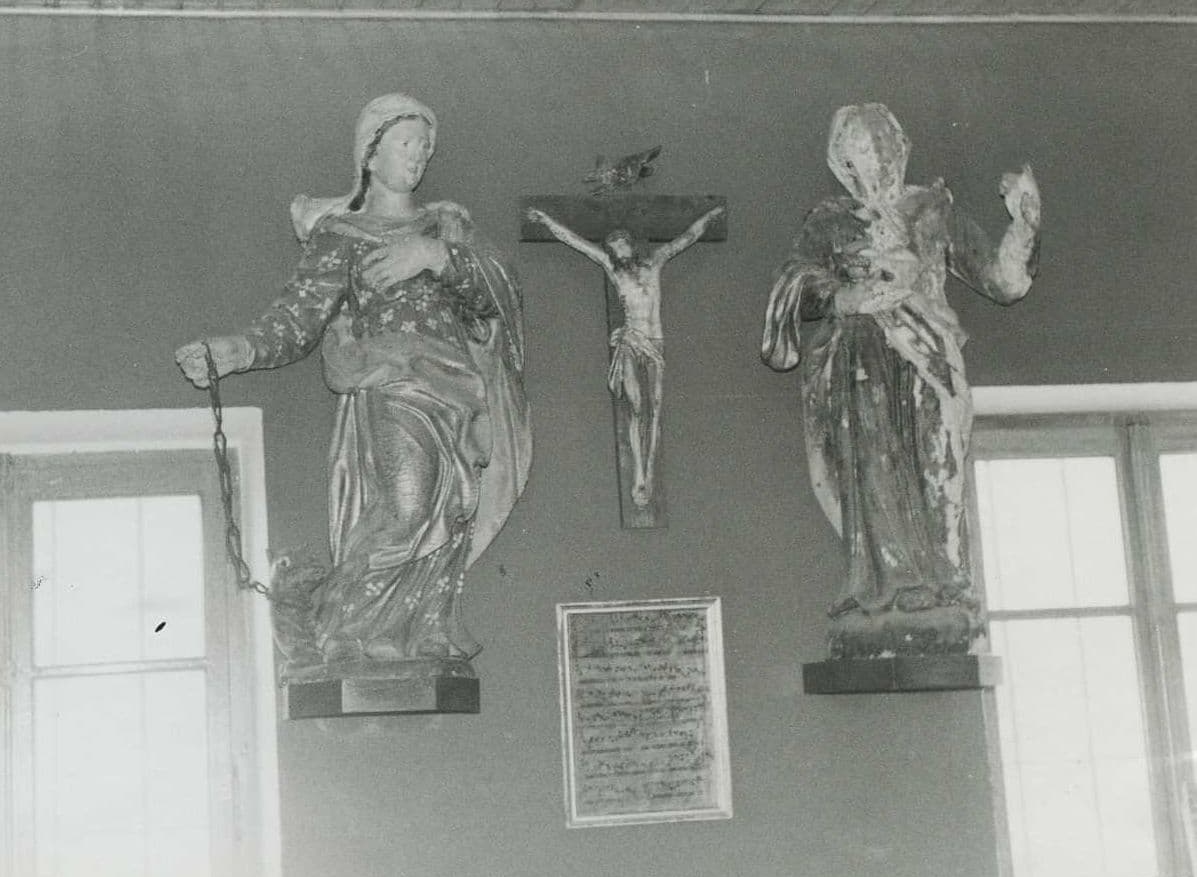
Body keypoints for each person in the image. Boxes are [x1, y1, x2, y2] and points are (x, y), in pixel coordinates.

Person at [176, 94, 531, 670]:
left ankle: (417, 631)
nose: (417, 156)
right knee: (409, 506)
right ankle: (339, 621)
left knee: (451, 509)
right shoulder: (342, 235)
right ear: (370, 153)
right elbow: (299, 317)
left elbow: (500, 292)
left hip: (458, 390)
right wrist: (238, 350)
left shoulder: (445, 227)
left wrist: (435, 256)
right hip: (392, 382)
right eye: (405, 143)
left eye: (425, 147)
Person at [761, 103, 1040, 657]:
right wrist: (843, 296)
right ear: (843, 160)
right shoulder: (829, 221)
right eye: (861, 149)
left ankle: (943, 586)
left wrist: (1025, 222)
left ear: (901, 147)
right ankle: (880, 589)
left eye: (884, 144)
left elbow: (1003, 281)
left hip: (928, 357)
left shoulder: (933, 210)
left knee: (937, 465)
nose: (876, 158)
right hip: (859, 362)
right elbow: (794, 280)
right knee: (871, 466)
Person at [525, 205, 724, 507]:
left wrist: (709, 217)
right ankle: (638, 474)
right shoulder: (613, 269)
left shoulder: (655, 262)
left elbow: (686, 237)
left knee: (656, 408)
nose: (618, 251)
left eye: (621, 245)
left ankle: (650, 472)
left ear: (631, 245)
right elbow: (576, 241)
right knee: (637, 406)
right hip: (631, 340)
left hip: (655, 342)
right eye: (613, 248)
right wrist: (546, 220)